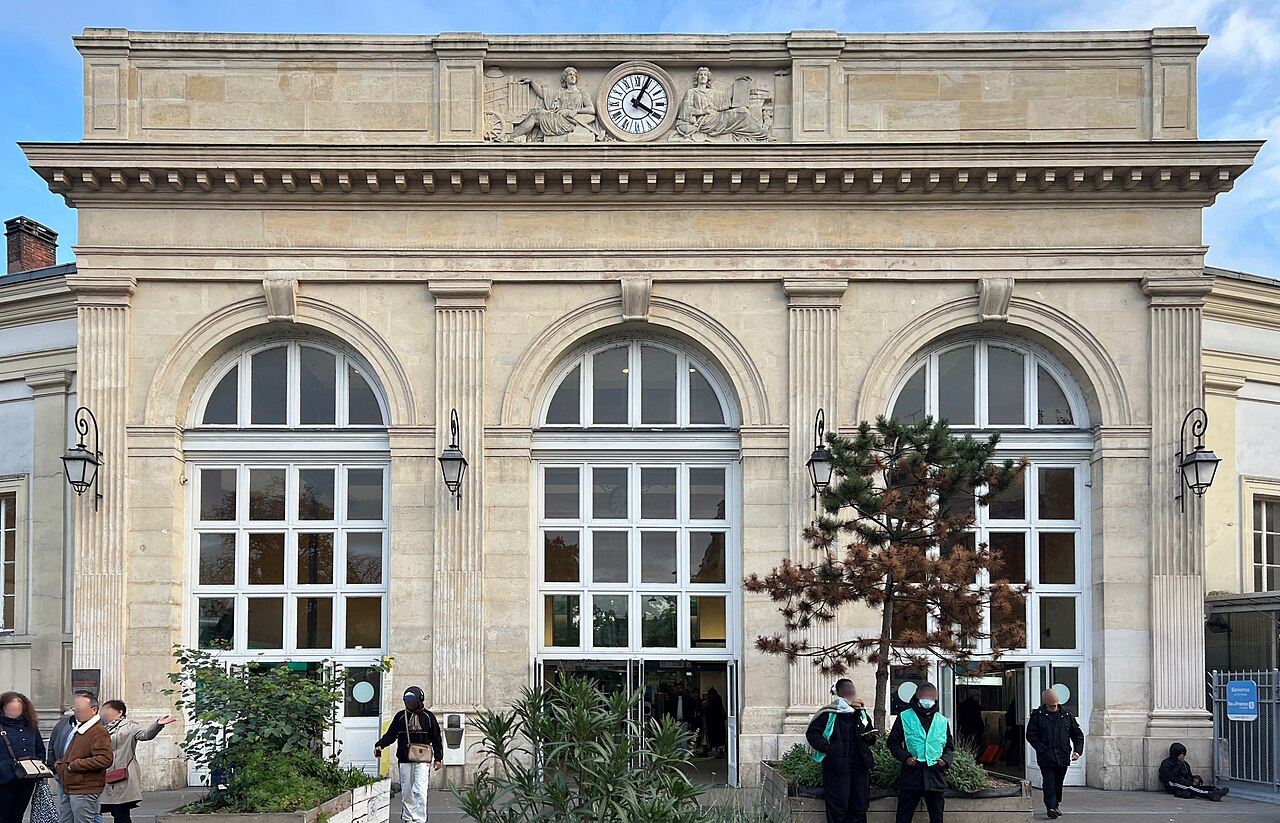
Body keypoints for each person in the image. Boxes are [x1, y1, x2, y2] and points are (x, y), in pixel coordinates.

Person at [807, 679, 876, 823]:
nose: (850, 693)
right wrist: (828, 748)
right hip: (836, 767)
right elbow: (812, 734)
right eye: (846, 691)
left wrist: (870, 737)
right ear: (838, 693)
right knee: (838, 807)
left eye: (852, 690)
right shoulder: (828, 713)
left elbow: (870, 735)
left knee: (859, 805)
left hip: (859, 765)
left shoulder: (861, 713)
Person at [98, 701, 176, 823]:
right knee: (104, 809)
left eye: (108, 710)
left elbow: (145, 735)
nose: (104, 713)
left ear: (120, 712)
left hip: (122, 774)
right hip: (103, 774)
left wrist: (157, 725)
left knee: (120, 811)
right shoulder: (100, 728)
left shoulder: (130, 726)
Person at [373, 687, 443, 823]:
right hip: (405, 759)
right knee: (407, 791)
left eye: (412, 700)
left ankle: (419, 819)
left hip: (423, 760)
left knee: (420, 790)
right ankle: (408, 818)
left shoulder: (428, 717)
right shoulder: (400, 716)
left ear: (419, 700)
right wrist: (380, 744)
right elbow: (391, 735)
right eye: (407, 700)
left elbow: (436, 738)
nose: (409, 703)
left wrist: (438, 758)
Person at [888, 682, 954, 823]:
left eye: (931, 698)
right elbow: (893, 743)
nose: (928, 701)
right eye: (925, 697)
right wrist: (905, 758)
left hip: (935, 775)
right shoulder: (904, 717)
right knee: (903, 817)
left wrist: (945, 760)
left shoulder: (942, 720)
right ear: (917, 697)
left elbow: (949, 747)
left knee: (937, 818)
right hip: (912, 775)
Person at [53, 694, 112, 823]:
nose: (75, 712)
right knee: (65, 820)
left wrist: (74, 765)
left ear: (94, 710)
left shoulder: (97, 731)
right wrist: (60, 764)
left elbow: (105, 759)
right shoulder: (81, 728)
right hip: (71, 786)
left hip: (84, 787)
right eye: (75, 709)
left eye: (79, 710)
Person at [1025, 688, 1084, 819]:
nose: (1054, 707)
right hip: (1046, 756)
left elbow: (1077, 735)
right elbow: (1031, 735)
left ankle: (1056, 804)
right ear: (1045, 703)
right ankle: (1050, 807)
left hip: (1062, 755)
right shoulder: (1038, 715)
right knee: (1049, 782)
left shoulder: (1067, 715)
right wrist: (1041, 748)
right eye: (1051, 705)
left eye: (1055, 705)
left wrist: (1077, 751)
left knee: (1058, 782)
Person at [0, 691, 47, 823]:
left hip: (27, 778)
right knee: (3, 816)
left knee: (18, 815)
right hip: (3, 780)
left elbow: (39, 749)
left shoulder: (30, 726)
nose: (13, 712)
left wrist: (39, 766)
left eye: (16, 709)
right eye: (9, 709)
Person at [1159, 743, 1229, 801]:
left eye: (1183, 754)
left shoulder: (1185, 764)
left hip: (1185, 782)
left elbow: (1188, 775)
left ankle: (1215, 790)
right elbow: (1169, 775)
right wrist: (1178, 764)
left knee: (1193, 787)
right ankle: (1209, 794)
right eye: (1181, 754)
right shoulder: (1166, 763)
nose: (1182, 756)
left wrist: (1195, 779)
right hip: (1173, 783)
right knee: (1189, 788)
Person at [702, 688, 727, 758]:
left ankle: (718, 752)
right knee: (720, 740)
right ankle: (720, 752)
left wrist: (705, 706)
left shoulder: (713, 702)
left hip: (714, 724)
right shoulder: (718, 700)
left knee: (713, 738)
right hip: (719, 724)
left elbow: (709, 712)